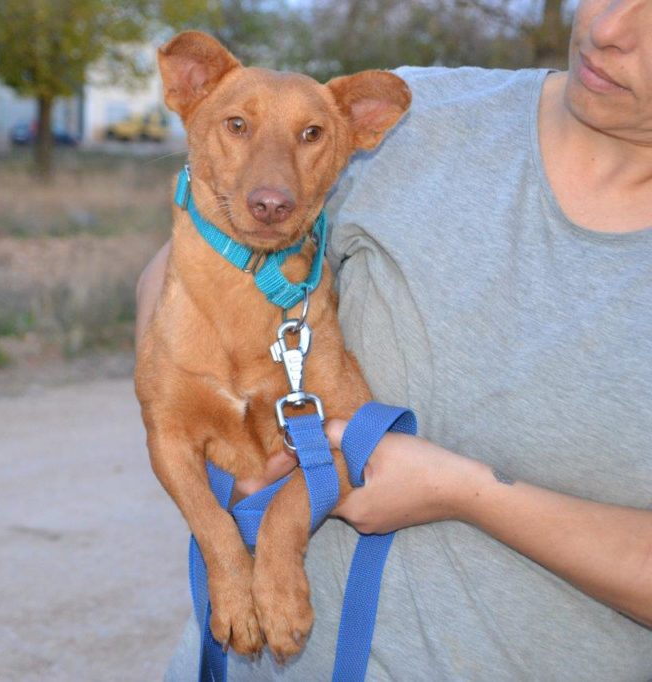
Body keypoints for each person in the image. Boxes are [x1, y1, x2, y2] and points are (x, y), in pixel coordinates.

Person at [136, 0, 652, 679]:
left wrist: (468, 492)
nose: (610, 30)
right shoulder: (419, 113)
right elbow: (187, 257)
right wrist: (200, 392)